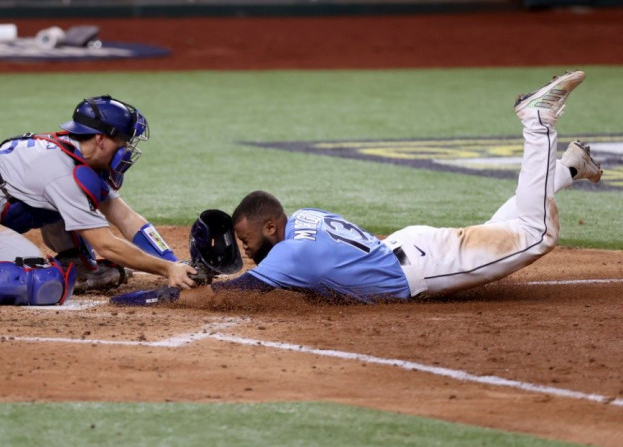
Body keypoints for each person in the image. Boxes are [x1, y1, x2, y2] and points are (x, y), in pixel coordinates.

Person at [111, 70, 603, 307]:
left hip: (424, 263)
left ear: (269, 226)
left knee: (534, 234)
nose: (246, 248)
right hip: (411, 249)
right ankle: (568, 169)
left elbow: (230, 297)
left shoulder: (289, 257)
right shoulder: (303, 215)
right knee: (508, 228)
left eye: (247, 240)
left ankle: (538, 124)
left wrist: (163, 290)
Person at [0, 95, 196, 307]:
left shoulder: (77, 156)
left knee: (68, 211)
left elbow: (127, 218)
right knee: (47, 281)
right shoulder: (61, 173)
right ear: (101, 140)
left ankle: (81, 266)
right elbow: (105, 243)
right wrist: (166, 270)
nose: (128, 149)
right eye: (124, 141)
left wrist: (174, 263)